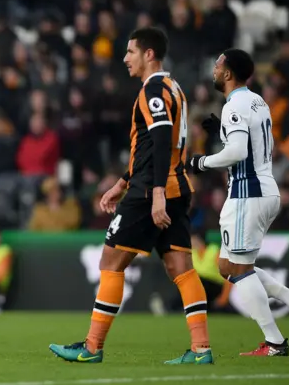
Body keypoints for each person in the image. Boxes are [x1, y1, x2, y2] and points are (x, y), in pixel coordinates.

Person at [49, 27, 213, 364]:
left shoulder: (153, 89)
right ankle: (201, 349)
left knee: (110, 261)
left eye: (130, 51)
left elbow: (162, 138)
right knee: (181, 267)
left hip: (154, 190)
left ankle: (92, 347)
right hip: (177, 186)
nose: (125, 58)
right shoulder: (174, 88)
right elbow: (152, 148)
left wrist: (153, 194)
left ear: (148, 54)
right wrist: (122, 181)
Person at [191, 49, 289, 356]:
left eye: (218, 64)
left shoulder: (234, 105)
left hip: (248, 193)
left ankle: (275, 342)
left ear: (229, 72)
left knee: (239, 269)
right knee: (227, 265)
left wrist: (202, 162)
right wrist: (221, 131)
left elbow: (237, 152)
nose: (214, 68)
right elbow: (250, 142)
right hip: (263, 189)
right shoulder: (258, 101)